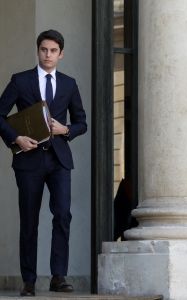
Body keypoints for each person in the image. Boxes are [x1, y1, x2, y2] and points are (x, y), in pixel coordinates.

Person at [0, 29, 87, 296]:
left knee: (62, 215)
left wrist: (66, 130)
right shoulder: (20, 80)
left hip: (59, 160)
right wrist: (17, 139)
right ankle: (28, 280)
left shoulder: (69, 84)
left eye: (53, 51)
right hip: (29, 160)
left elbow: (82, 122)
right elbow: (0, 115)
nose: (47, 55)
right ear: (38, 51)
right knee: (29, 219)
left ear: (61, 54)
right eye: (43, 50)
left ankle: (58, 277)